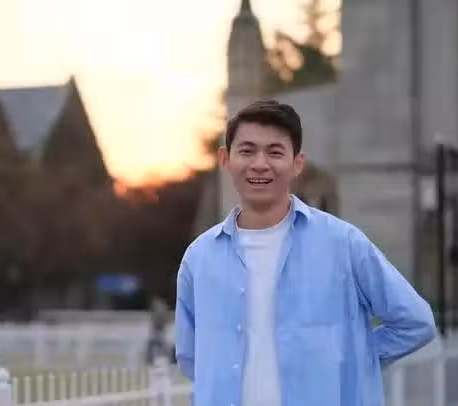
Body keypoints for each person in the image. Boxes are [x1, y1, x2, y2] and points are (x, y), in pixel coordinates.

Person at [174, 100, 436, 406]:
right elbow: (190, 356)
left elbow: (416, 322)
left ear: (297, 164)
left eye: (275, 152)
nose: (260, 163)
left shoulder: (343, 244)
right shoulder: (199, 257)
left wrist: (347, 363)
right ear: (225, 160)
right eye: (247, 151)